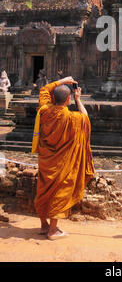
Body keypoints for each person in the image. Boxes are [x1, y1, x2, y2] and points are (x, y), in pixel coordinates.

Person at [32, 76, 95, 240]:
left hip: (46, 160)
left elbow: (44, 89)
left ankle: (44, 225)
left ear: (53, 98)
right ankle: (52, 230)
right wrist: (78, 99)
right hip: (61, 164)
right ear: (68, 99)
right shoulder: (72, 118)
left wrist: (63, 80)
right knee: (59, 192)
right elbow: (85, 116)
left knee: (44, 190)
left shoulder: (44, 110)